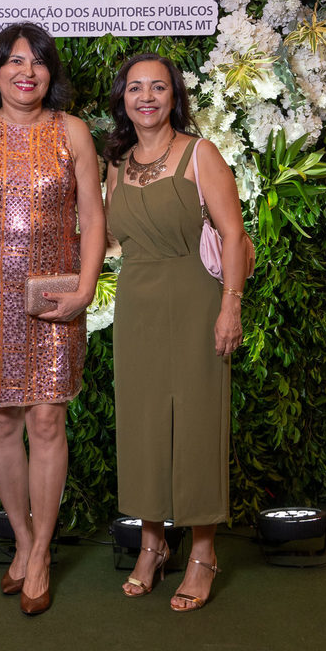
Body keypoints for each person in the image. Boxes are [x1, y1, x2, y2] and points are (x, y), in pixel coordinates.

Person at [0, 22, 106, 615]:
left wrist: (87, 287)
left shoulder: (72, 131)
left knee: (48, 420)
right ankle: (25, 542)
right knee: (1, 420)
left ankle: (41, 553)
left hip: (55, 299)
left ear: (50, 73)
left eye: (37, 62)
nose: (26, 72)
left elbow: (92, 217)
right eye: (14, 61)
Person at [103, 53, 251, 611]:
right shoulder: (115, 165)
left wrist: (230, 307)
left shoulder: (199, 154)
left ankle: (203, 553)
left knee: (196, 422)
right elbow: (107, 239)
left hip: (196, 301)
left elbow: (234, 236)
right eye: (135, 88)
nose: (146, 97)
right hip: (137, 306)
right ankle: (152, 544)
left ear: (174, 96)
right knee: (141, 423)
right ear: (123, 99)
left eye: (158, 87)